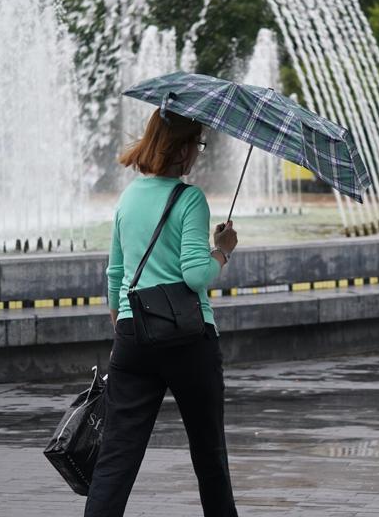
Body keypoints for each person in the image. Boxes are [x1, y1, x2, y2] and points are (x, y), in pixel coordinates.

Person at [84, 108, 239, 517]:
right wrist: (222, 250)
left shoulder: (129, 195)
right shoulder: (190, 198)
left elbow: (115, 271)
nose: (199, 153)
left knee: (116, 456)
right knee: (209, 455)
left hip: (133, 335)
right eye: (198, 144)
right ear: (183, 149)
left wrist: (123, 322)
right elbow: (195, 275)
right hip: (188, 338)